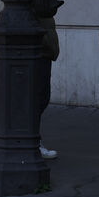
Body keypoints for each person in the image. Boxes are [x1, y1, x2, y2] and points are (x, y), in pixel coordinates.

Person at [35, 14, 59, 160]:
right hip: (39, 52)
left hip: (45, 52)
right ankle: (34, 141)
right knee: (37, 100)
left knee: (42, 98)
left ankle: (34, 140)